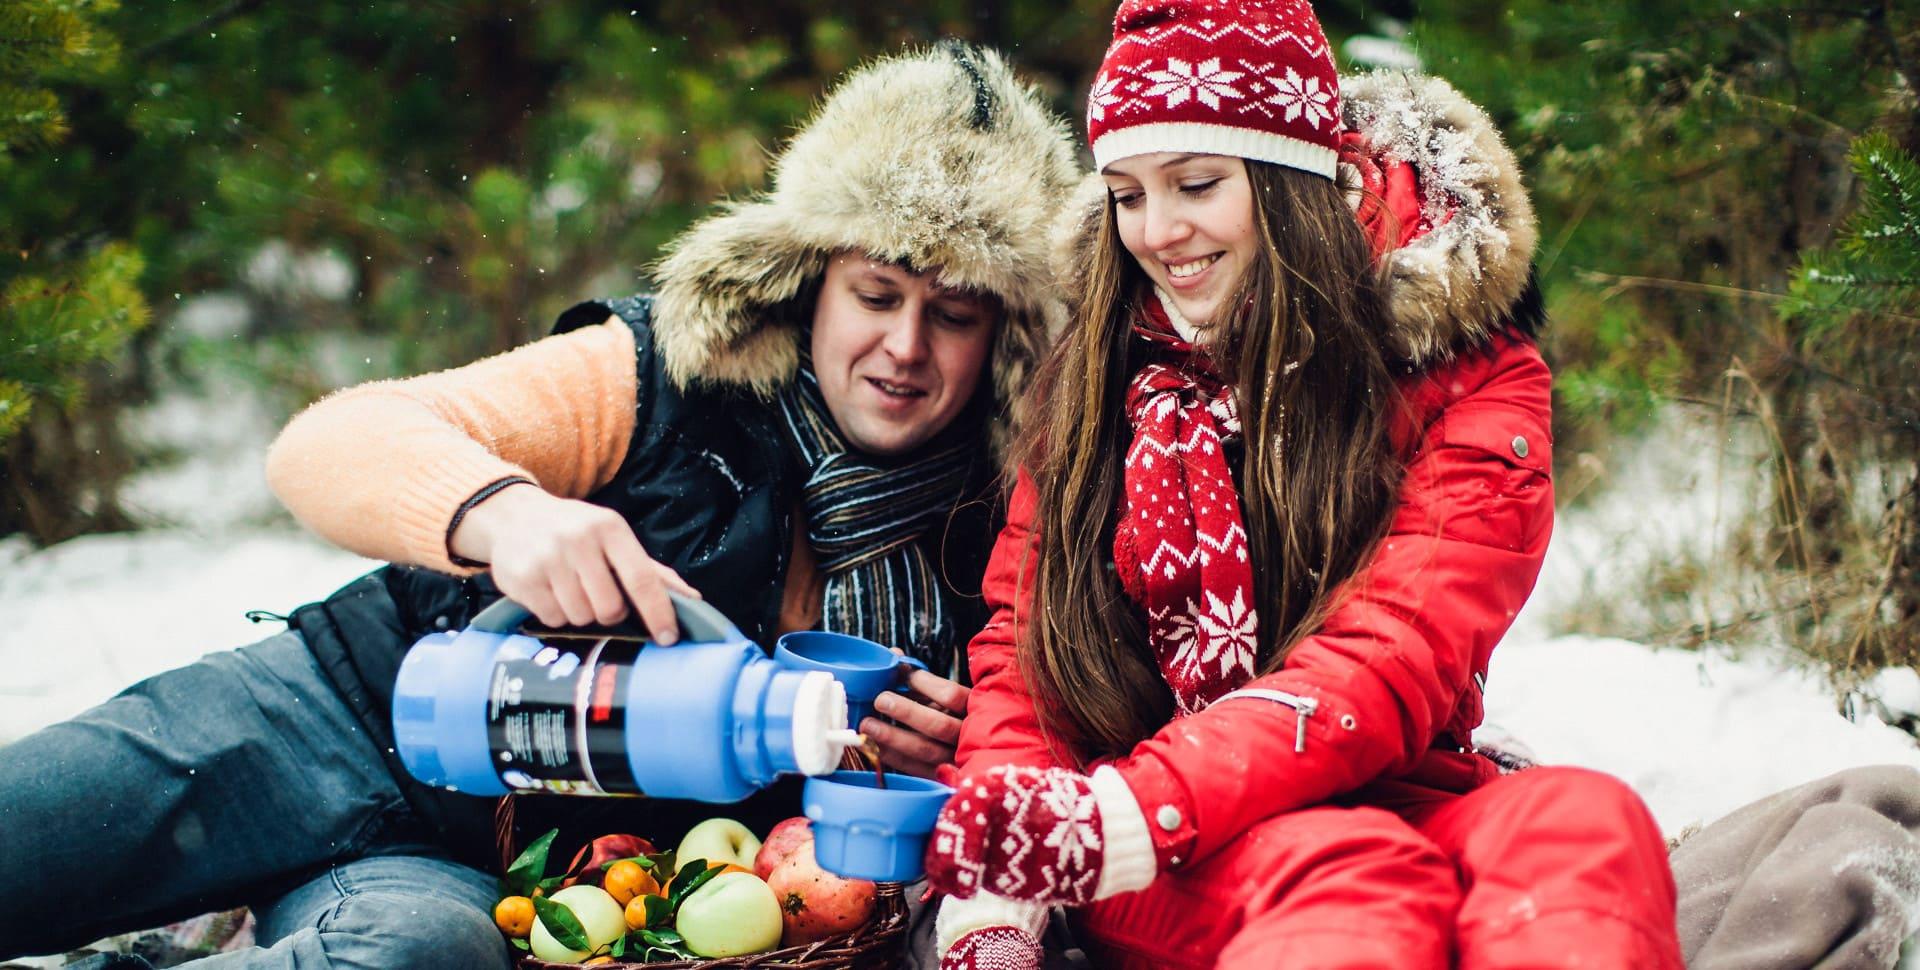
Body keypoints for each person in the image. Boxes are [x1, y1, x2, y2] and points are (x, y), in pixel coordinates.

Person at [0, 43, 1078, 970]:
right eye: (877, 297)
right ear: (809, 281)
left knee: (417, 957)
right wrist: (508, 515)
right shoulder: (662, 372)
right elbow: (326, 444)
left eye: (954, 315)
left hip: (472, 874)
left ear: (1006, 341)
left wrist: (938, 758)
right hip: (327, 714)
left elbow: (1041, 757)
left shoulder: (1002, 523)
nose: (903, 347)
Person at [921, 2, 1686, 968]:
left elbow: (1395, 651)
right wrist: (1001, 895)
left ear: (1289, 181)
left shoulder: (1463, 369)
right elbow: (1026, 650)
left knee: (1586, 823)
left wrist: (1127, 811)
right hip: (1173, 842)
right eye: (1125, 194)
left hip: (1383, 789)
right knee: (1347, 872)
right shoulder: (1099, 382)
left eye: (1196, 183)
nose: (1157, 233)